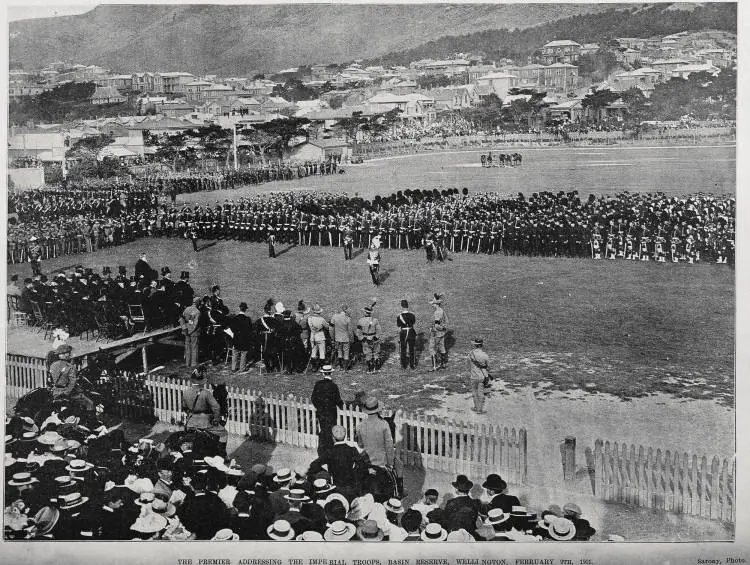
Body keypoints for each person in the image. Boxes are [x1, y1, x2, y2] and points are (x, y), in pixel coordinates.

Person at [49, 344, 95, 412]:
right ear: (64, 354)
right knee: (90, 403)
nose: (70, 354)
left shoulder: (53, 365)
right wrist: (67, 393)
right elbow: (72, 383)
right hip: (66, 393)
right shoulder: (70, 367)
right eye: (69, 353)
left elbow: (52, 379)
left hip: (56, 392)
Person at [310, 365, 343, 457]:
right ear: (331, 373)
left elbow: (313, 398)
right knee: (331, 431)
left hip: (321, 413)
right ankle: (330, 450)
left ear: (323, 373)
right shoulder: (333, 386)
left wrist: (319, 407)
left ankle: (321, 451)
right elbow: (338, 400)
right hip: (331, 413)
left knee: (323, 430)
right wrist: (342, 406)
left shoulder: (318, 384)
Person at [355, 397, 395, 471]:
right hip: (381, 462)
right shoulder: (384, 424)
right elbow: (389, 446)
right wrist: (390, 463)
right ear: (378, 409)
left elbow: (360, 445)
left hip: (366, 461)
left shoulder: (360, 426)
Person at [356, 304, 381, 374]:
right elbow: (379, 330)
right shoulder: (375, 320)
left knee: (368, 354)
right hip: (374, 338)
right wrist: (376, 337)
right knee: (376, 353)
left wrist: (361, 338)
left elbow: (358, 331)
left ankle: (370, 370)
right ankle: (376, 369)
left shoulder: (360, 321)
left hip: (365, 339)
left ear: (365, 312)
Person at [229, 302, 254, 372]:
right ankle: (242, 368)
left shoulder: (235, 318)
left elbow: (232, 328)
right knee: (243, 353)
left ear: (239, 308)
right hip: (244, 339)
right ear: (246, 310)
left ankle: (233, 368)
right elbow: (250, 330)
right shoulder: (247, 319)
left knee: (235, 353)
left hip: (236, 338)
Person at [468, 338, 490, 414]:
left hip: (473, 375)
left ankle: (476, 407)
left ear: (474, 345)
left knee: (474, 393)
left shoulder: (471, 353)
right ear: (482, 345)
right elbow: (487, 366)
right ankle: (479, 409)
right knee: (480, 393)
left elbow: (468, 364)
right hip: (481, 376)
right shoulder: (485, 355)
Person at [428, 293, 448, 371]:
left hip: (436, 333)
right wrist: (443, 328)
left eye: (433, 304)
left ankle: (435, 366)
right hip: (442, 333)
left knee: (432, 348)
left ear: (436, 304)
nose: (432, 305)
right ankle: (443, 364)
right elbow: (446, 321)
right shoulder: (442, 310)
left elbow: (436, 325)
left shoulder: (437, 313)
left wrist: (432, 329)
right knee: (442, 348)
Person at [180, 297, 202, 368]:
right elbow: (195, 324)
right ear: (198, 303)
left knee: (187, 347)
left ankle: (187, 363)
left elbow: (181, 319)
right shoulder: (197, 312)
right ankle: (193, 364)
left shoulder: (186, 309)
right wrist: (191, 331)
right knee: (194, 348)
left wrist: (185, 330)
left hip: (186, 330)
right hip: (194, 332)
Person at [329, 305, 353, 370]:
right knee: (346, 353)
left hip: (337, 338)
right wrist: (352, 339)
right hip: (345, 338)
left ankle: (341, 367)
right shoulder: (348, 318)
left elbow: (331, 328)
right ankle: (345, 368)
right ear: (345, 310)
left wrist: (332, 337)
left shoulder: (335, 316)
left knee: (339, 351)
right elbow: (350, 331)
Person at [307, 304, 329, 372]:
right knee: (322, 352)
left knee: (313, 352)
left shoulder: (309, 318)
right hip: (320, 336)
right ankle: (322, 367)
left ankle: (314, 367)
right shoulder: (321, 319)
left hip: (313, 336)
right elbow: (327, 327)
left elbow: (310, 327)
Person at [396, 300, 416, 370]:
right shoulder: (412, 315)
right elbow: (413, 323)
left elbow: (399, 326)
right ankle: (412, 365)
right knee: (411, 349)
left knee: (403, 349)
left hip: (403, 332)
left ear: (401, 306)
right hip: (411, 331)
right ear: (407, 306)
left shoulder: (399, 316)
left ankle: (404, 365)